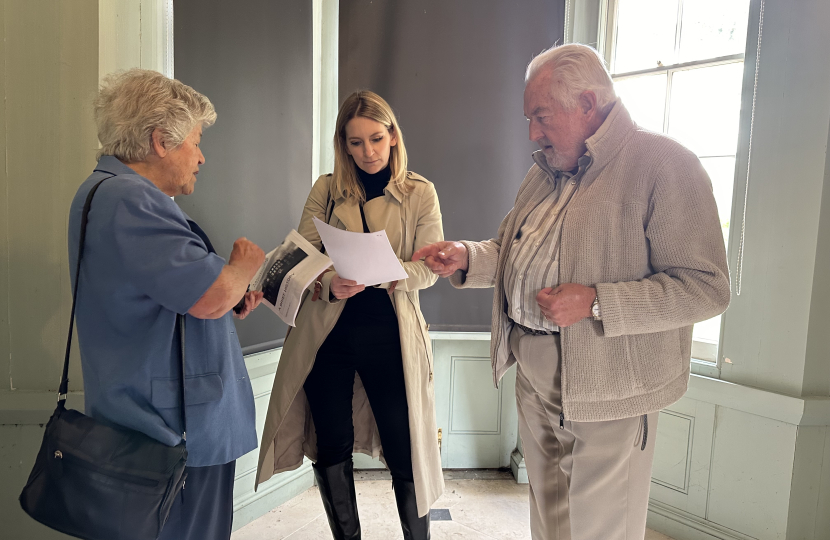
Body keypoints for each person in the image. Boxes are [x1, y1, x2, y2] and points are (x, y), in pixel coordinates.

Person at [413, 44, 731, 540]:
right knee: (549, 519)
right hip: (535, 375)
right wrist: (469, 257)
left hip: (612, 384)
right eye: (529, 118)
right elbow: (518, 251)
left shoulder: (666, 165)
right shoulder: (546, 170)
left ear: (587, 104)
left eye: (541, 116)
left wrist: (596, 300)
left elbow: (706, 288)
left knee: (600, 529)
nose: (533, 134)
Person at [68, 69, 265, 540]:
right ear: (160, 140)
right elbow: (209, 297)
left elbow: (160, 291)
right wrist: (242, 266)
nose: (201, 156)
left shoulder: (103, 192)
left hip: (151, 419)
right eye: (194, 142)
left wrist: (228, 294)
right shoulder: (132, 199)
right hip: (173, 432)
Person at [255, 90, 444, 540]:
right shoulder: (326, 189)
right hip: (327, 337)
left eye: (377, 139)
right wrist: (326, 284)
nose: (369, 152)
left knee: (406, 449)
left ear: (393, 135)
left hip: (390, 336)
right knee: (331, 445)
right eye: (356, 143)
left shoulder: (420, 192)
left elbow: (431, 271)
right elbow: (297, 258)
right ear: (343, 144)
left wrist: (387, 274)